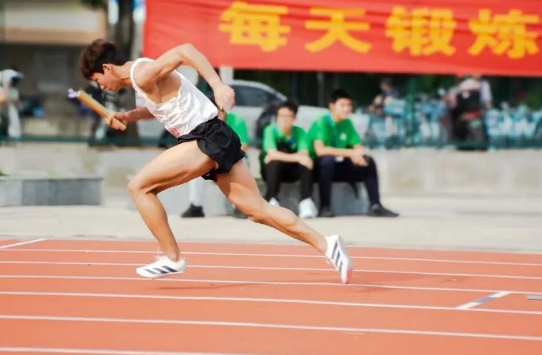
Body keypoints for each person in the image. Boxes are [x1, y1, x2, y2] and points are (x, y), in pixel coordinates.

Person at [79, 39, 353, 284]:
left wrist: (218, 85)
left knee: (139, 187)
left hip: (204, 137)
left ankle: (172, 257)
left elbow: (185, 50)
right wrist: (129, 116)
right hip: (216, 136)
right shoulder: (141, 80)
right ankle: (328, 245)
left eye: (97, 80)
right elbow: (158, 108)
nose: (100, 87)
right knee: (258, 210)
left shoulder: (142, 73)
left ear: (107, 68)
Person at [308, 89, 398, 218]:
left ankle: (375, 205)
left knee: (368, 161)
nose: (347, 109)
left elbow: (357, 146)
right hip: (319, 169)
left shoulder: (347, 123)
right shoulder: (321, 123)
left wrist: (359, 156)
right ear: (332, 106)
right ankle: (324, 206)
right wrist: (351, 153)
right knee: (328, 161)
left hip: (339, 166)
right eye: (342, 105)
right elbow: (320, 150)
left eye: (349, 105)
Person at [181, 101, 250, 219]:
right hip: (210, 160)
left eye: (216, 113)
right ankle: (195, 206)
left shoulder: (237, 121)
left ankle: (238, 207)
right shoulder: (204, 122)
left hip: (232, 158)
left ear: (224, 111)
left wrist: (224, 155)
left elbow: (243, 145)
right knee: (195, 169)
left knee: (241, 165)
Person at [259, 101, 317, 219]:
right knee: (274, 163)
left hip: (292, 171)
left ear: (294, 118)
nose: (284, 119)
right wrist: (297, 157)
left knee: (306, 164)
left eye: (288, 116)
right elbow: (271, 153)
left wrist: (278, 155)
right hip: (273, 172)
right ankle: (271, 199)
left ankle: (306, 202)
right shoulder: (270, 130)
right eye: (281, 116)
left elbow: (304, 154)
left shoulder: (300, 132)